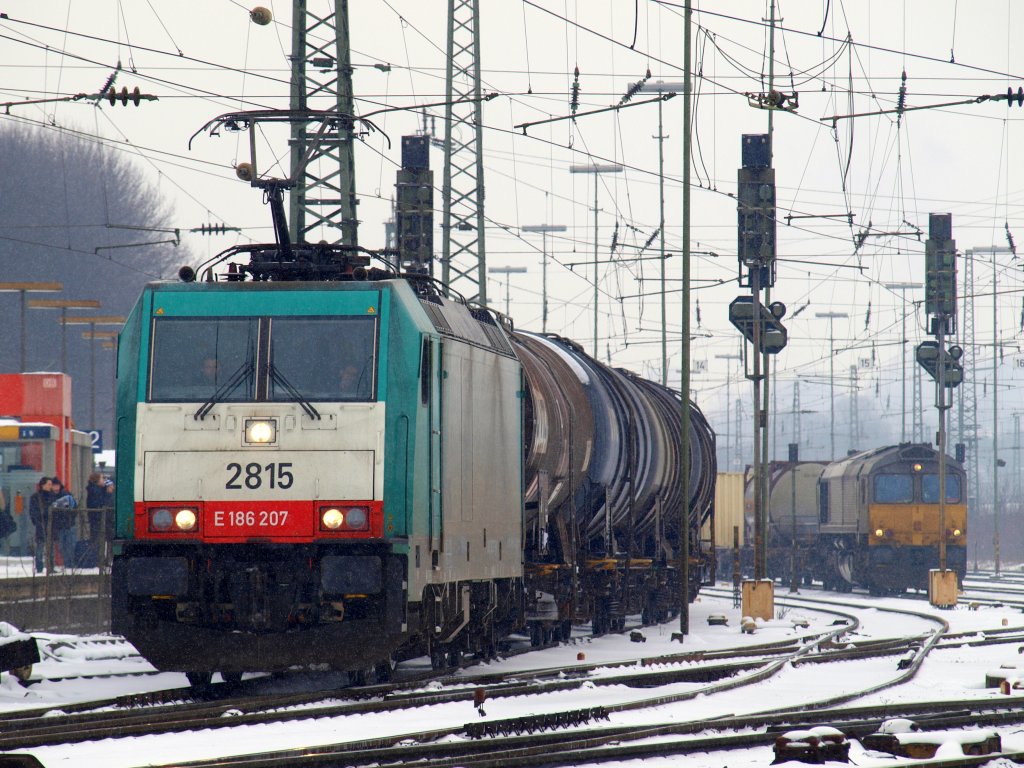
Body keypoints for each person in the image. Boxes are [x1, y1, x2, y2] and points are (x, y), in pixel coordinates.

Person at [49, 477, 77, 570]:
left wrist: (69, 518)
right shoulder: (51, 496)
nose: (56, 487)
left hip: (68, 524)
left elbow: (74, 508)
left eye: (57, 485)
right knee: (62, 546)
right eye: (54, 485)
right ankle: (67, 563)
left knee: (70, 545)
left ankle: (70, 564)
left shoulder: (66, 495)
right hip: (59, 526)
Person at [28, 477, 55, 573]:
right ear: (43, 485)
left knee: (51, 547)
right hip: (41, 524)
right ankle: (39, 567)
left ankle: (51, 566)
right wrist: (37, 520)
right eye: (49, 484)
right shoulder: (36, 497)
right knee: (40, 546)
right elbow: (33, 511)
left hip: (51, 525)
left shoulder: (53, 496)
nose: (50, 486)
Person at [85, 472, 115, 555]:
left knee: (101, 541)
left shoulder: (97, 490)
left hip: (99, 521)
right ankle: (98, 558)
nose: (104, 480)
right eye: (102, 478)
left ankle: (100, 557)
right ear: (97, 480)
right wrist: (108, 494)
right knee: (98, 542)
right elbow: (103, 504)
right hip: (98, 521)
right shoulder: (95, 491)